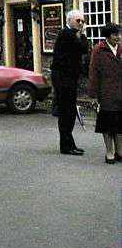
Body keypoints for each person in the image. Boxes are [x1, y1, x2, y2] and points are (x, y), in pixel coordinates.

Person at [50, 9, 90, 155]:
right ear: (69, 21)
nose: (81, 23)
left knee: (69, 111)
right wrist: (83, 34)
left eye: (83, 21)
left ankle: (69, 143)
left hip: (69, 77)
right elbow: (83, 48)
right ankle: (66, 146)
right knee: (66, 111)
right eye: (78, 21)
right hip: (63, 78)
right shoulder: (66, 34)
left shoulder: (71, 35)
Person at [87, 23, 122, 164]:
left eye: (119, 34)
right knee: (107, 125)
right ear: (107, 36)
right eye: (115, 35)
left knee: (120, 125)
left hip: (121, 91)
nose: (118, 37)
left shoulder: (121, 48)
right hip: (106, 92)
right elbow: (93, 72)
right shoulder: (99, 50)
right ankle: (109, 152)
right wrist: (94, 95)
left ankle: (120, 151)